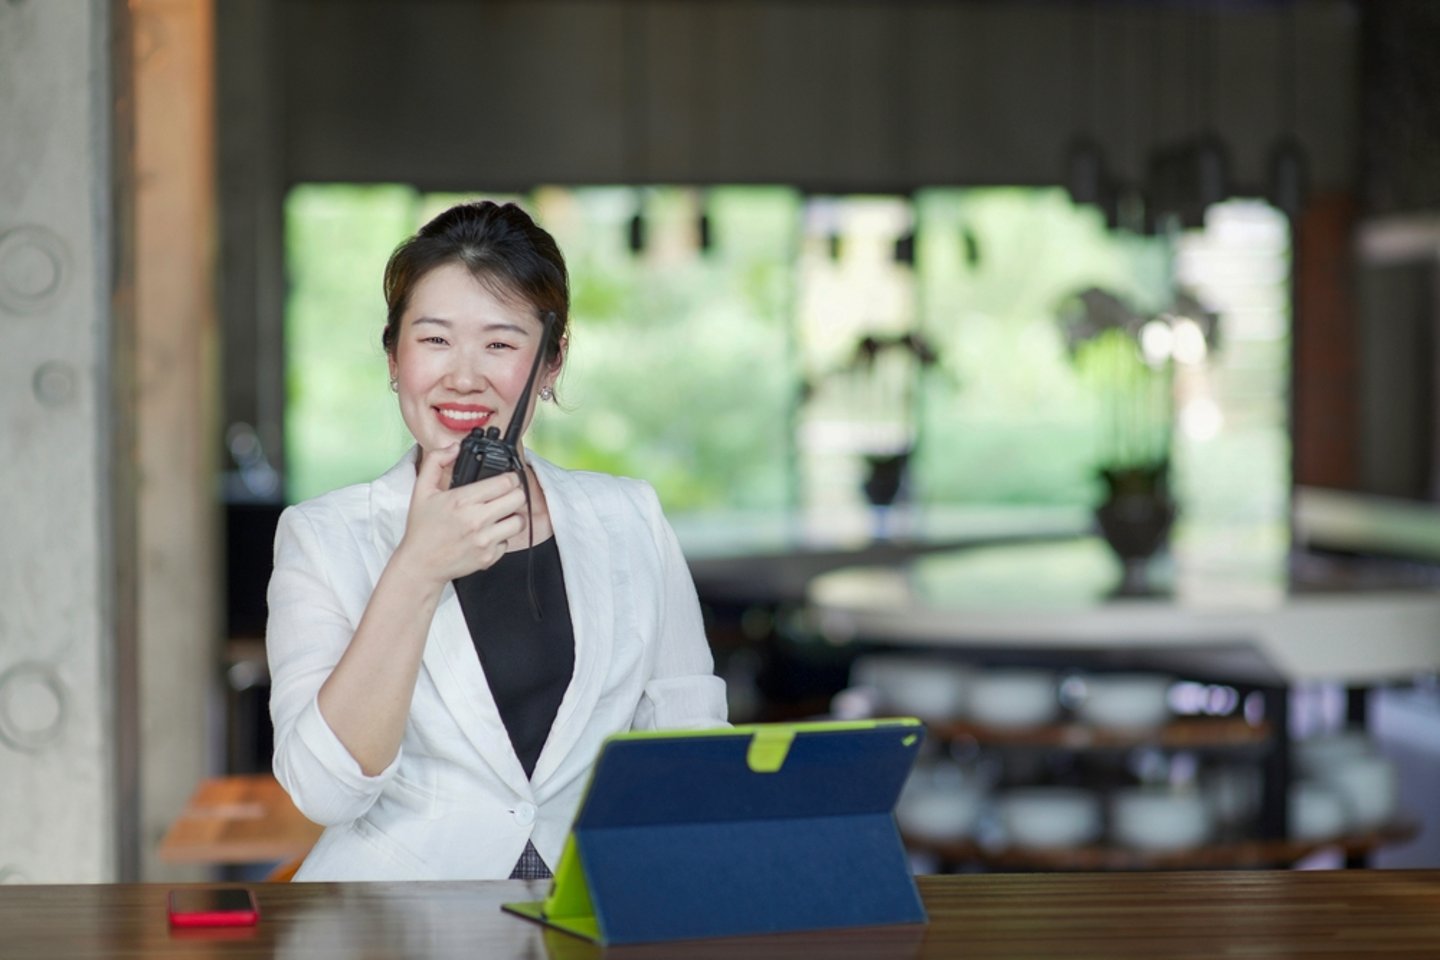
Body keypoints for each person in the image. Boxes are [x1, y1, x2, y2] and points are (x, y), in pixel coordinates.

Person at [266, 201, 728, 881]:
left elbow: (693, 756)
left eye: (502, 343)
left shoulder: (631, 520)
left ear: (551, 363)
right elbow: (324, 792)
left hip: (593, 909)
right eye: (434, 339)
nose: (464, 375)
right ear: (394, 355)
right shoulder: (322, 538)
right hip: (394, 922)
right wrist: (416, 570)